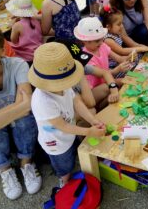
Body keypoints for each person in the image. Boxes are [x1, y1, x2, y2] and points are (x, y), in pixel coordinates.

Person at [0, 21, 42, 200]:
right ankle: (5, 168)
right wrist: (18, 107)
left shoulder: (17, 64)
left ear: (2, 50)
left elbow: (28, 107)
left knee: (26, 119)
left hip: (17, 122)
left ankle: (26, 162)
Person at [28, 42, 106, 186]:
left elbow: (77, 101)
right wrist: (89, 131)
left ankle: (68, 168)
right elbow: (62, 126)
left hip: (68, 132)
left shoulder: (63, 83)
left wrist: (92, 119)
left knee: (71, 150)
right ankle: (64, 182)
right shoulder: (42, 100)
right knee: (64, 165)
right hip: (55, 143)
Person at [74, 17, 129, 107]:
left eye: (101, 39)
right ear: (84, 41)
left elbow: (119, 58)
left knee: (121, 83)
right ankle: (101, 107)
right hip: (93, 91)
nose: (101, 42)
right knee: (112, 86)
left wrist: (130, 57)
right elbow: (104, 73)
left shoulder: (102, 46)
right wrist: (118, 69)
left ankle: (105, 105)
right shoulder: (85, 57)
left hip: (106, 80)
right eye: (97, 40)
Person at [100, 5, 148, 70]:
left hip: (121, 59)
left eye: (122, 23)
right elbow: (122, 51)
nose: (122, 26)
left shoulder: (116, 31)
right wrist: (140, 49)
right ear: (108, 27)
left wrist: (139, 46)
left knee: (141, 57)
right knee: (138, 66)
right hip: (115, 67)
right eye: (118, 24)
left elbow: (127, 39)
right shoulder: (108, 40)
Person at [6, 0, 42, 65]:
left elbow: (14, 41)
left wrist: (12, 26)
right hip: (38, 50)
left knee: (5, 43)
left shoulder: (17, 25)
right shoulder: (35, 20)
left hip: (26, 55)